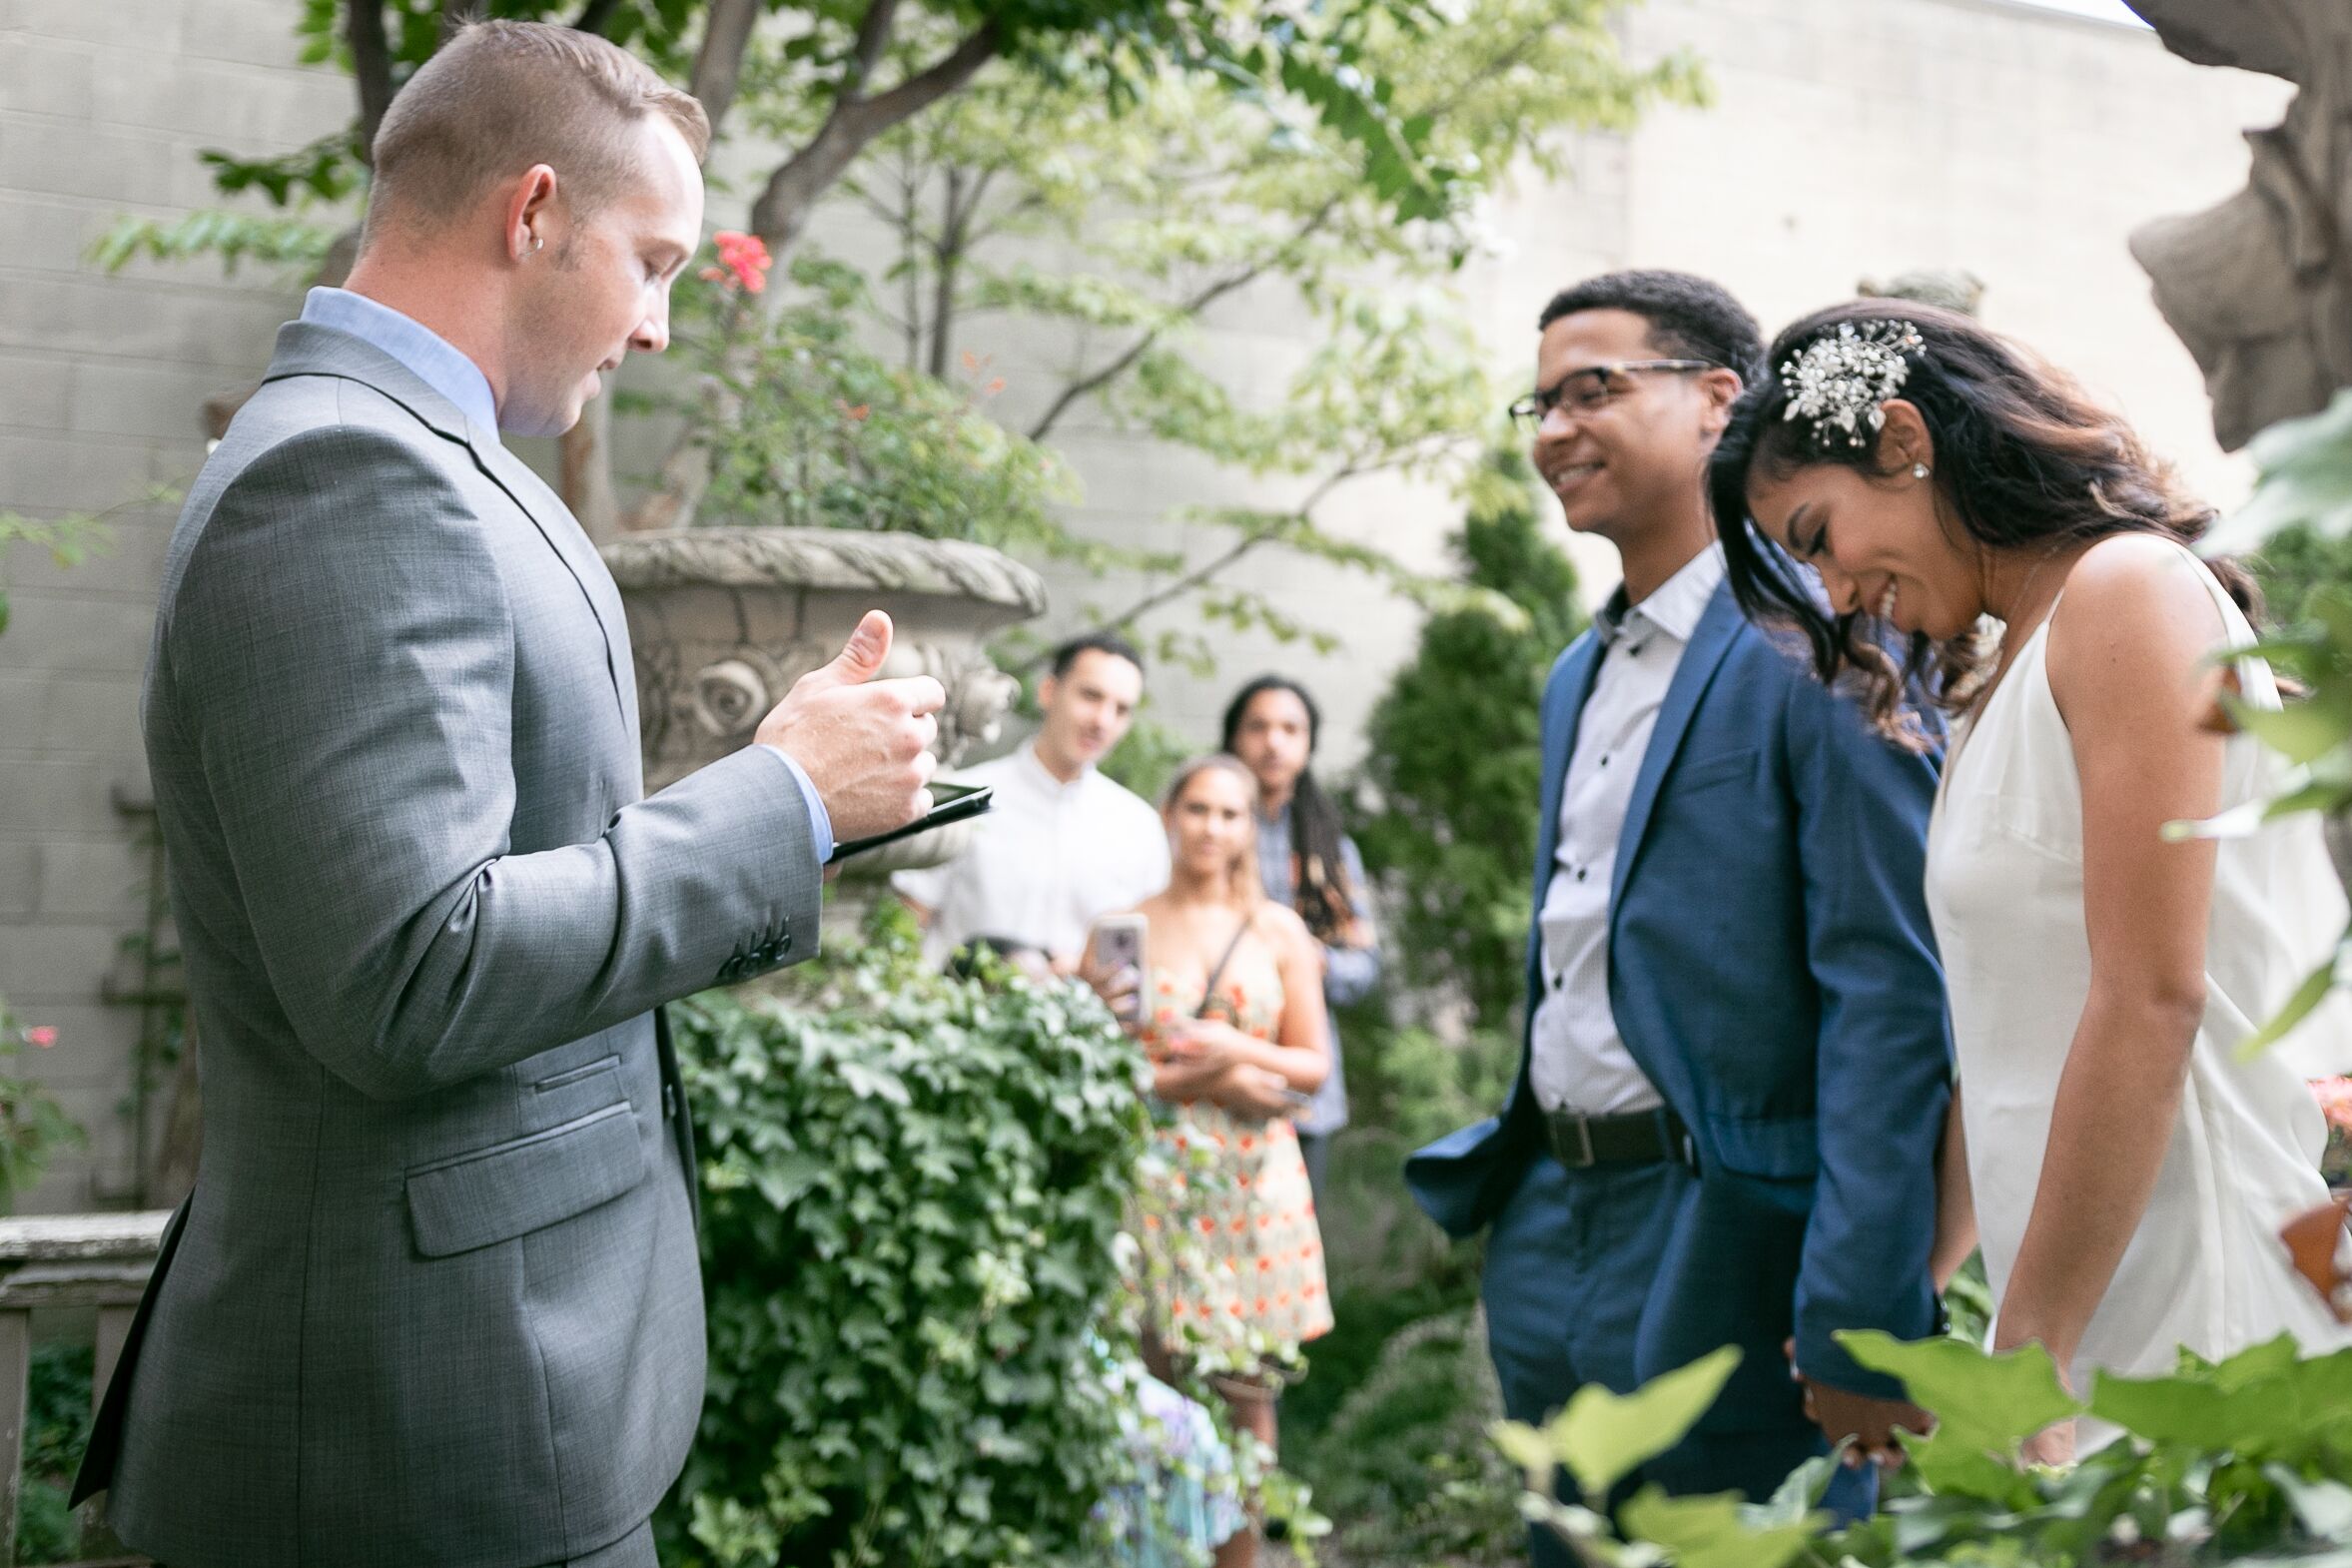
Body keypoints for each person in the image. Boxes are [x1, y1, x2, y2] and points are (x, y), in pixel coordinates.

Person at [69, 24, 942, 1568]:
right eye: (653, 260)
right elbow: (412, 968)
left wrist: (791, 768)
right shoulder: (342, 478)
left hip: (491, 1392)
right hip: (406, 1436)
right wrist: (778, 801)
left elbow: (509, 847)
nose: (659, 326)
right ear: (531, 212)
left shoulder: (430, 459)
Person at [1709, 301, 2352, 1461]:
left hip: (2190, 1289)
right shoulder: (2010, 666)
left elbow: (2153, 998)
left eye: (1817, 534)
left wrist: (2031, 1354)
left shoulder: (2126, 594)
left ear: (1904, 442)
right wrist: (1921, 1293)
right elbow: (2010, 1039)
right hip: (2073, 1292)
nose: (1835, 593)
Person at [1403, 272, 1952, 1550]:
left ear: (1720, 401)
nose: (1553, 428)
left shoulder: (1826, 638)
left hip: (1725, 1231)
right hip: (1551, 1218)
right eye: (1538, 402)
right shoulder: (1571, 676)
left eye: (1593, 388)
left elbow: (1889, 987)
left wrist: (1861, 1311)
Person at [1087, 754, 1332, 1568]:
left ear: (1246, 827)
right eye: (1196, 809)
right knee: (1158, 1386)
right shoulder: (1126, 924)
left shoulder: (1277, 930)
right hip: (1155, 1174)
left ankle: (1241, 1559)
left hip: (1253, 1178)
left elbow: (1312, 1064)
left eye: (1229, 814)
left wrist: (1229, 1049)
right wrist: (1181, 1073)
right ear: (1169, 814)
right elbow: (1099, 1063)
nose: (1211, 828)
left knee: (1247, 1393)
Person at [894, 631, 1169, 974]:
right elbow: (904, 929)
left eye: (1121, 709)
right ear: (1048, 691)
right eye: (1090, 696)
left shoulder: (1139, 826)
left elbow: (1149, 958)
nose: (1103, 721)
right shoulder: (963, 798)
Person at [1222, 675, 1380, 1199]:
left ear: (1309, 743)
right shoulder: (1202, 832)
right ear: (1233, 737)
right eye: (1258, 727)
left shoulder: (1330, 848)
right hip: (1212, 1072)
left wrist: (1311, 961)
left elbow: (1364, 967)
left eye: (1291, 728)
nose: (1274, 742)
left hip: (1304, 1086)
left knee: (1289, 1250)